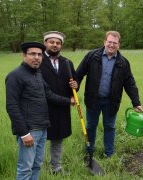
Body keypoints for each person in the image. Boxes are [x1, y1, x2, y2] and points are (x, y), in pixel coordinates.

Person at [5, 42, 75, 179]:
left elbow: (49, 95)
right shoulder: (15, 76)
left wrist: (69, 101)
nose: (36, 57)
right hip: (30, 130)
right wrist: (24, 134)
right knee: (25, 168)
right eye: (32, 54)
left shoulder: (37, 74)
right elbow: (11, 106)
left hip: (43, 128)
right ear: (24, 55)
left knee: (37, 165)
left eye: (39, 54)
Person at [75, 31, 143, 158]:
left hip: (111, 101)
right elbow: (78, 75)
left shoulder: (123, 63)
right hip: (92, 99)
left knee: (110, 126)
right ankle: (89, 151)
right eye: (109, 42)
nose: (111, 45)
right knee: (90, 126)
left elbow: (130, 83)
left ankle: (109, 153)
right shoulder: (92, 56)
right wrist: (73, 91)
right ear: (104, 42)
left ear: (118, 45)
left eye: (115, 43)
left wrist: (136, 102)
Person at [40, 31, 78, 174]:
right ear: (45, 43)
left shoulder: (67, 62)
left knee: (57, 138)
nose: (55, 45)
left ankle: (56, 168)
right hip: (43, 108)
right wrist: (68, 100)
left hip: (61, 109)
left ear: (61, 45)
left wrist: (76, 85)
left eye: (58, 43)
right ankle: (38, 168)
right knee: (40, 139)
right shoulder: (38, 61)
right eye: (52, 42)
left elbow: (73, 83)